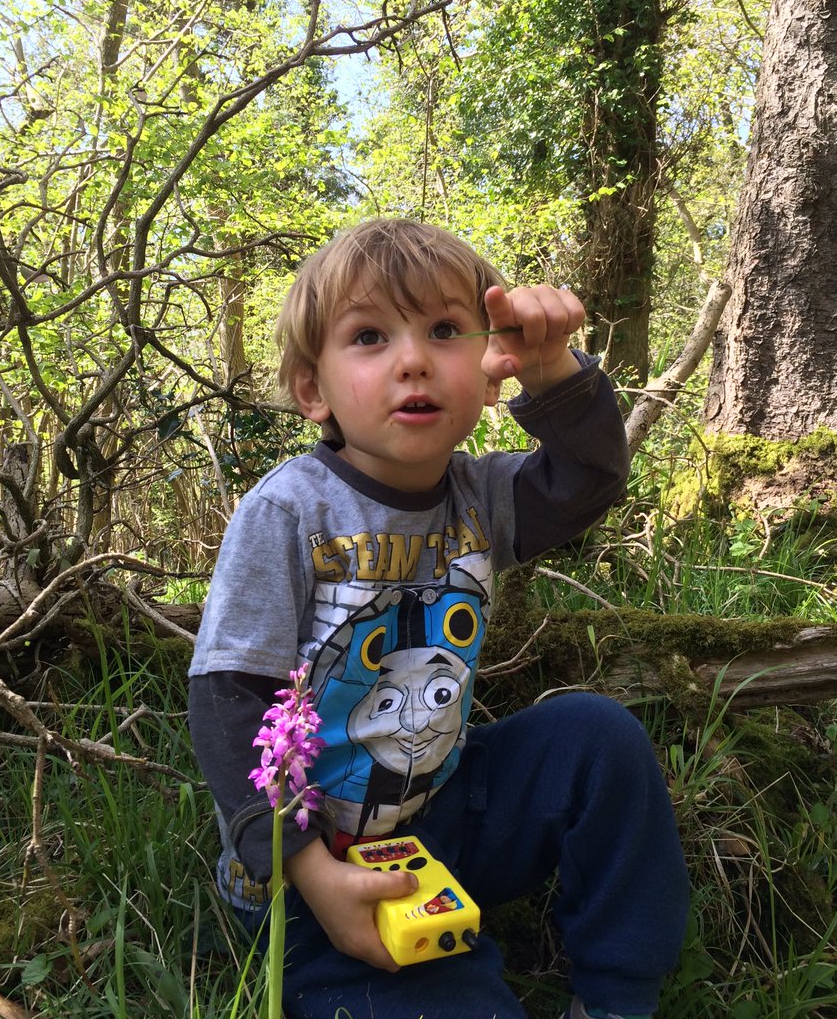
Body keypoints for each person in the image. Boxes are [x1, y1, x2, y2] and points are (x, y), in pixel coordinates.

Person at [188, 219, 689, 1019]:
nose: (414, 358)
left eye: (446, 331)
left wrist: (553, 367)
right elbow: (227, 698)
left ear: (492, 376)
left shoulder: (483, 497)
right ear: (313, 389)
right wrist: (307, 870)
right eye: (369, 337)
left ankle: (619, 995)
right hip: (318, 870)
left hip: (446, 810)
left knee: (597, 737)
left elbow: (591, 479)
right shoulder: (289, 509)